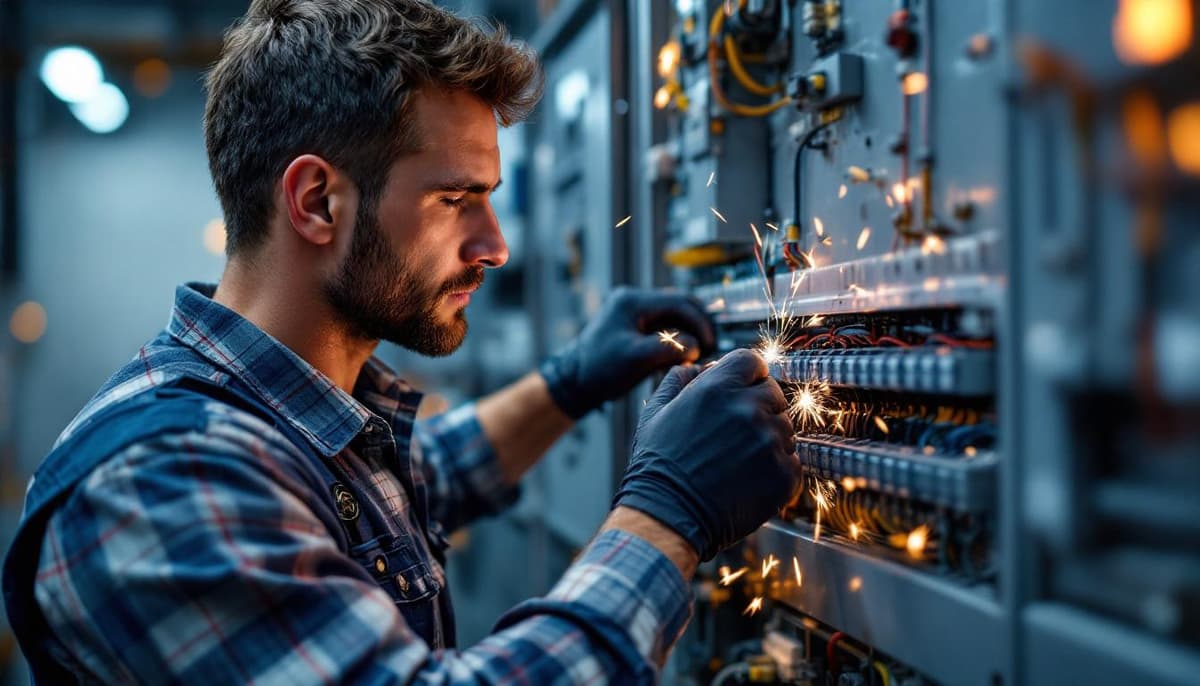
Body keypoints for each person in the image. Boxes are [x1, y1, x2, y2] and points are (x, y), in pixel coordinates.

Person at [2, 1, 800, 683]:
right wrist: (666, 515)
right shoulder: (162, 484)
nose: (495, 246)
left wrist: (568, 384)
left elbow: (420, 483)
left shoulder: (280, 417)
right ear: (317, 201)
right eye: (457, 199)